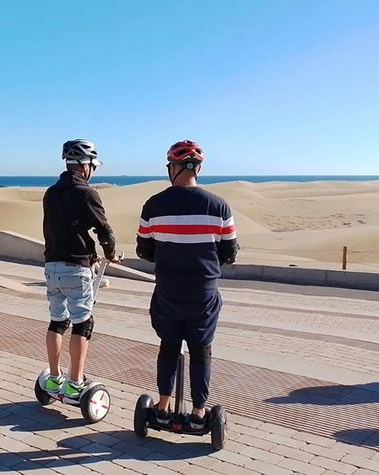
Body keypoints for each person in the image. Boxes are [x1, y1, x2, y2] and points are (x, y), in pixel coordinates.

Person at [136, 140, 238, 429]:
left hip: (168, 289)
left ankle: (164, 408)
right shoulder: (219, 206)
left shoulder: (154, 204)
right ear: (199, 168)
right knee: (200, 349)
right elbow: (229, 253)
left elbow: (144, 250)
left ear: (173, 167)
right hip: (203, 291)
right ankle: (198, 413)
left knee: (168, 346)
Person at [42, 139, 119, 403]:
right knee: (83, 324)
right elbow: (105, 231)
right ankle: (75, 384)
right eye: (93, 166)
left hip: (51, 266)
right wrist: (111, 254)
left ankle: (53, 378)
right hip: (76, 268)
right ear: (85, 166)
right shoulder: (87, 193)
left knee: (57, 321)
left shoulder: (51, 193)